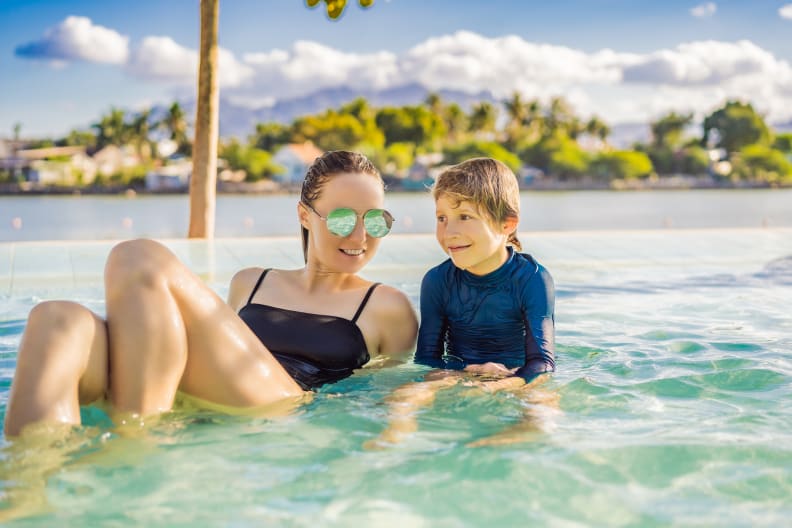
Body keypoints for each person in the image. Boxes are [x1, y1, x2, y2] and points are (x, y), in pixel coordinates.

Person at [4, 150, 418, 438]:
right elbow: (191, 345)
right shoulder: (249, 281)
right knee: (58, 320)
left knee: (137, 256)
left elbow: (386, 396)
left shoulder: (387, 305)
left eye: (377, 221)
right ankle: (25, 490)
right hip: (208, 390)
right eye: (345, 219)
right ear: (304, 215)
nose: (361, 236)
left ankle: (135, 445)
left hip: (286, 405)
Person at [368, 157, 555, 447]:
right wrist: (452, 377)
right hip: (455, 374)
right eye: (441, 218)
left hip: (516, 376)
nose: (448, 232)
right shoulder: (438, 281)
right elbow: (427, 357)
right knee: (401, 399)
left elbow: (542, 363)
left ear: (507, 224)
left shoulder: (532, 279)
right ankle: (389, 446)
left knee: (544, 415)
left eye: (464, 217)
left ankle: (484, 451)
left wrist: (505, 383)